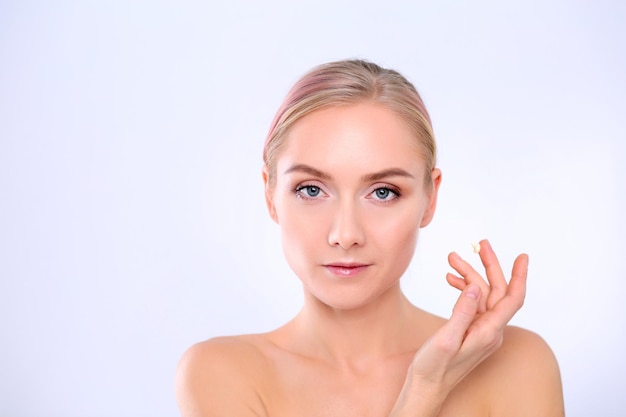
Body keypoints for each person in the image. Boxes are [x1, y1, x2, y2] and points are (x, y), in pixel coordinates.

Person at [175, 59, 564, 416]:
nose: (346, 235)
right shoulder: (220, 373)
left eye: (383, 192)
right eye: (311, 190)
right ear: (270, 196)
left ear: (430, 199)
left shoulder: (517, 362)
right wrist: (424, 389)